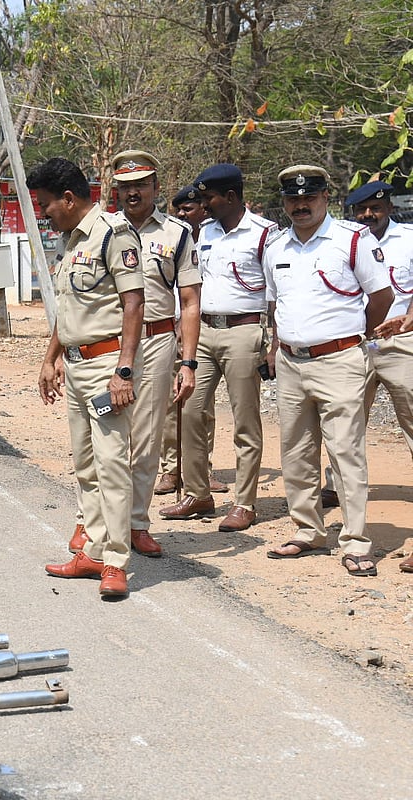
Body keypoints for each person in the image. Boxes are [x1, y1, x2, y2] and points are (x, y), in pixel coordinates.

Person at [262, 165, 392, 577]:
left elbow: (382, 297)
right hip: (290, 362)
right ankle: (308, 530)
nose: (301, 205)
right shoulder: (276, 248)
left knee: (345, 453)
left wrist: (357, 338)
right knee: (296, 452)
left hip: (340, 361)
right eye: (293, 199)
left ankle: (355, 541)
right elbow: (273, 304)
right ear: (284, 203)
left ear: (324, 198)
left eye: (309, 197)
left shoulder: (351, 241)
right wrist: (277, 343)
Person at [70, 151, 201, 559]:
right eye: (124, 186)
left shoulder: (177, 233)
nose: (132, 192)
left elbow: (191, 301)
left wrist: (188, 362)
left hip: (157, 343)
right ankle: (88, 522)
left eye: (140, 185)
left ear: (156, 188)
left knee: (144, 440)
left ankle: (136, 523)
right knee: (98, 437)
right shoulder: (98, 230)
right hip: (107, 346)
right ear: (114, 190)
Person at [30, 157, 144, 599]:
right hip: (75, 368)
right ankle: (93, 552)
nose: (43, 212)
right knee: (86, 466)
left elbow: (134, 305)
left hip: (105, 368)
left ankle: (116, 561)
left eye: (46, 204)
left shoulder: (114, 235)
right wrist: (51, 358)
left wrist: (124, 370)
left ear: (69, 198)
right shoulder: (71, 242)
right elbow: (68, 310)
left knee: (112, 464)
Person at [160, 163, 280, 532]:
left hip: (244, 332)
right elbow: (191, 286)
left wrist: (273, 341)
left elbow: (276, 293)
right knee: (190, 412)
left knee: (245, 421)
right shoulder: (202, 233)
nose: (204, 203)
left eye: (209, 197)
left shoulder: (265, 234)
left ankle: (244, 503)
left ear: (230, 196)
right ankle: (198, 494)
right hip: (204, 333)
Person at [319, 181, 413, 513]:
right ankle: (336, 485)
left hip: (400, 342)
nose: (367, 215)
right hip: (354, 342)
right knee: (344, 419)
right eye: (361, 209)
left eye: (374, 208)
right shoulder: (343, 239)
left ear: (389, 207)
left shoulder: (409, 239)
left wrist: (409, 319)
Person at [157, 186, 227, 496]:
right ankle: (171, 469)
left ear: (204, 209)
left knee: (201, 405)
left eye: (189, 208)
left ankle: (203, 468)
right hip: (171, 327)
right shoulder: (171, 238)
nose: (183, 214)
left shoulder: (217, 238)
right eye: (179, 210)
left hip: (203, 330)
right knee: (171, 404)